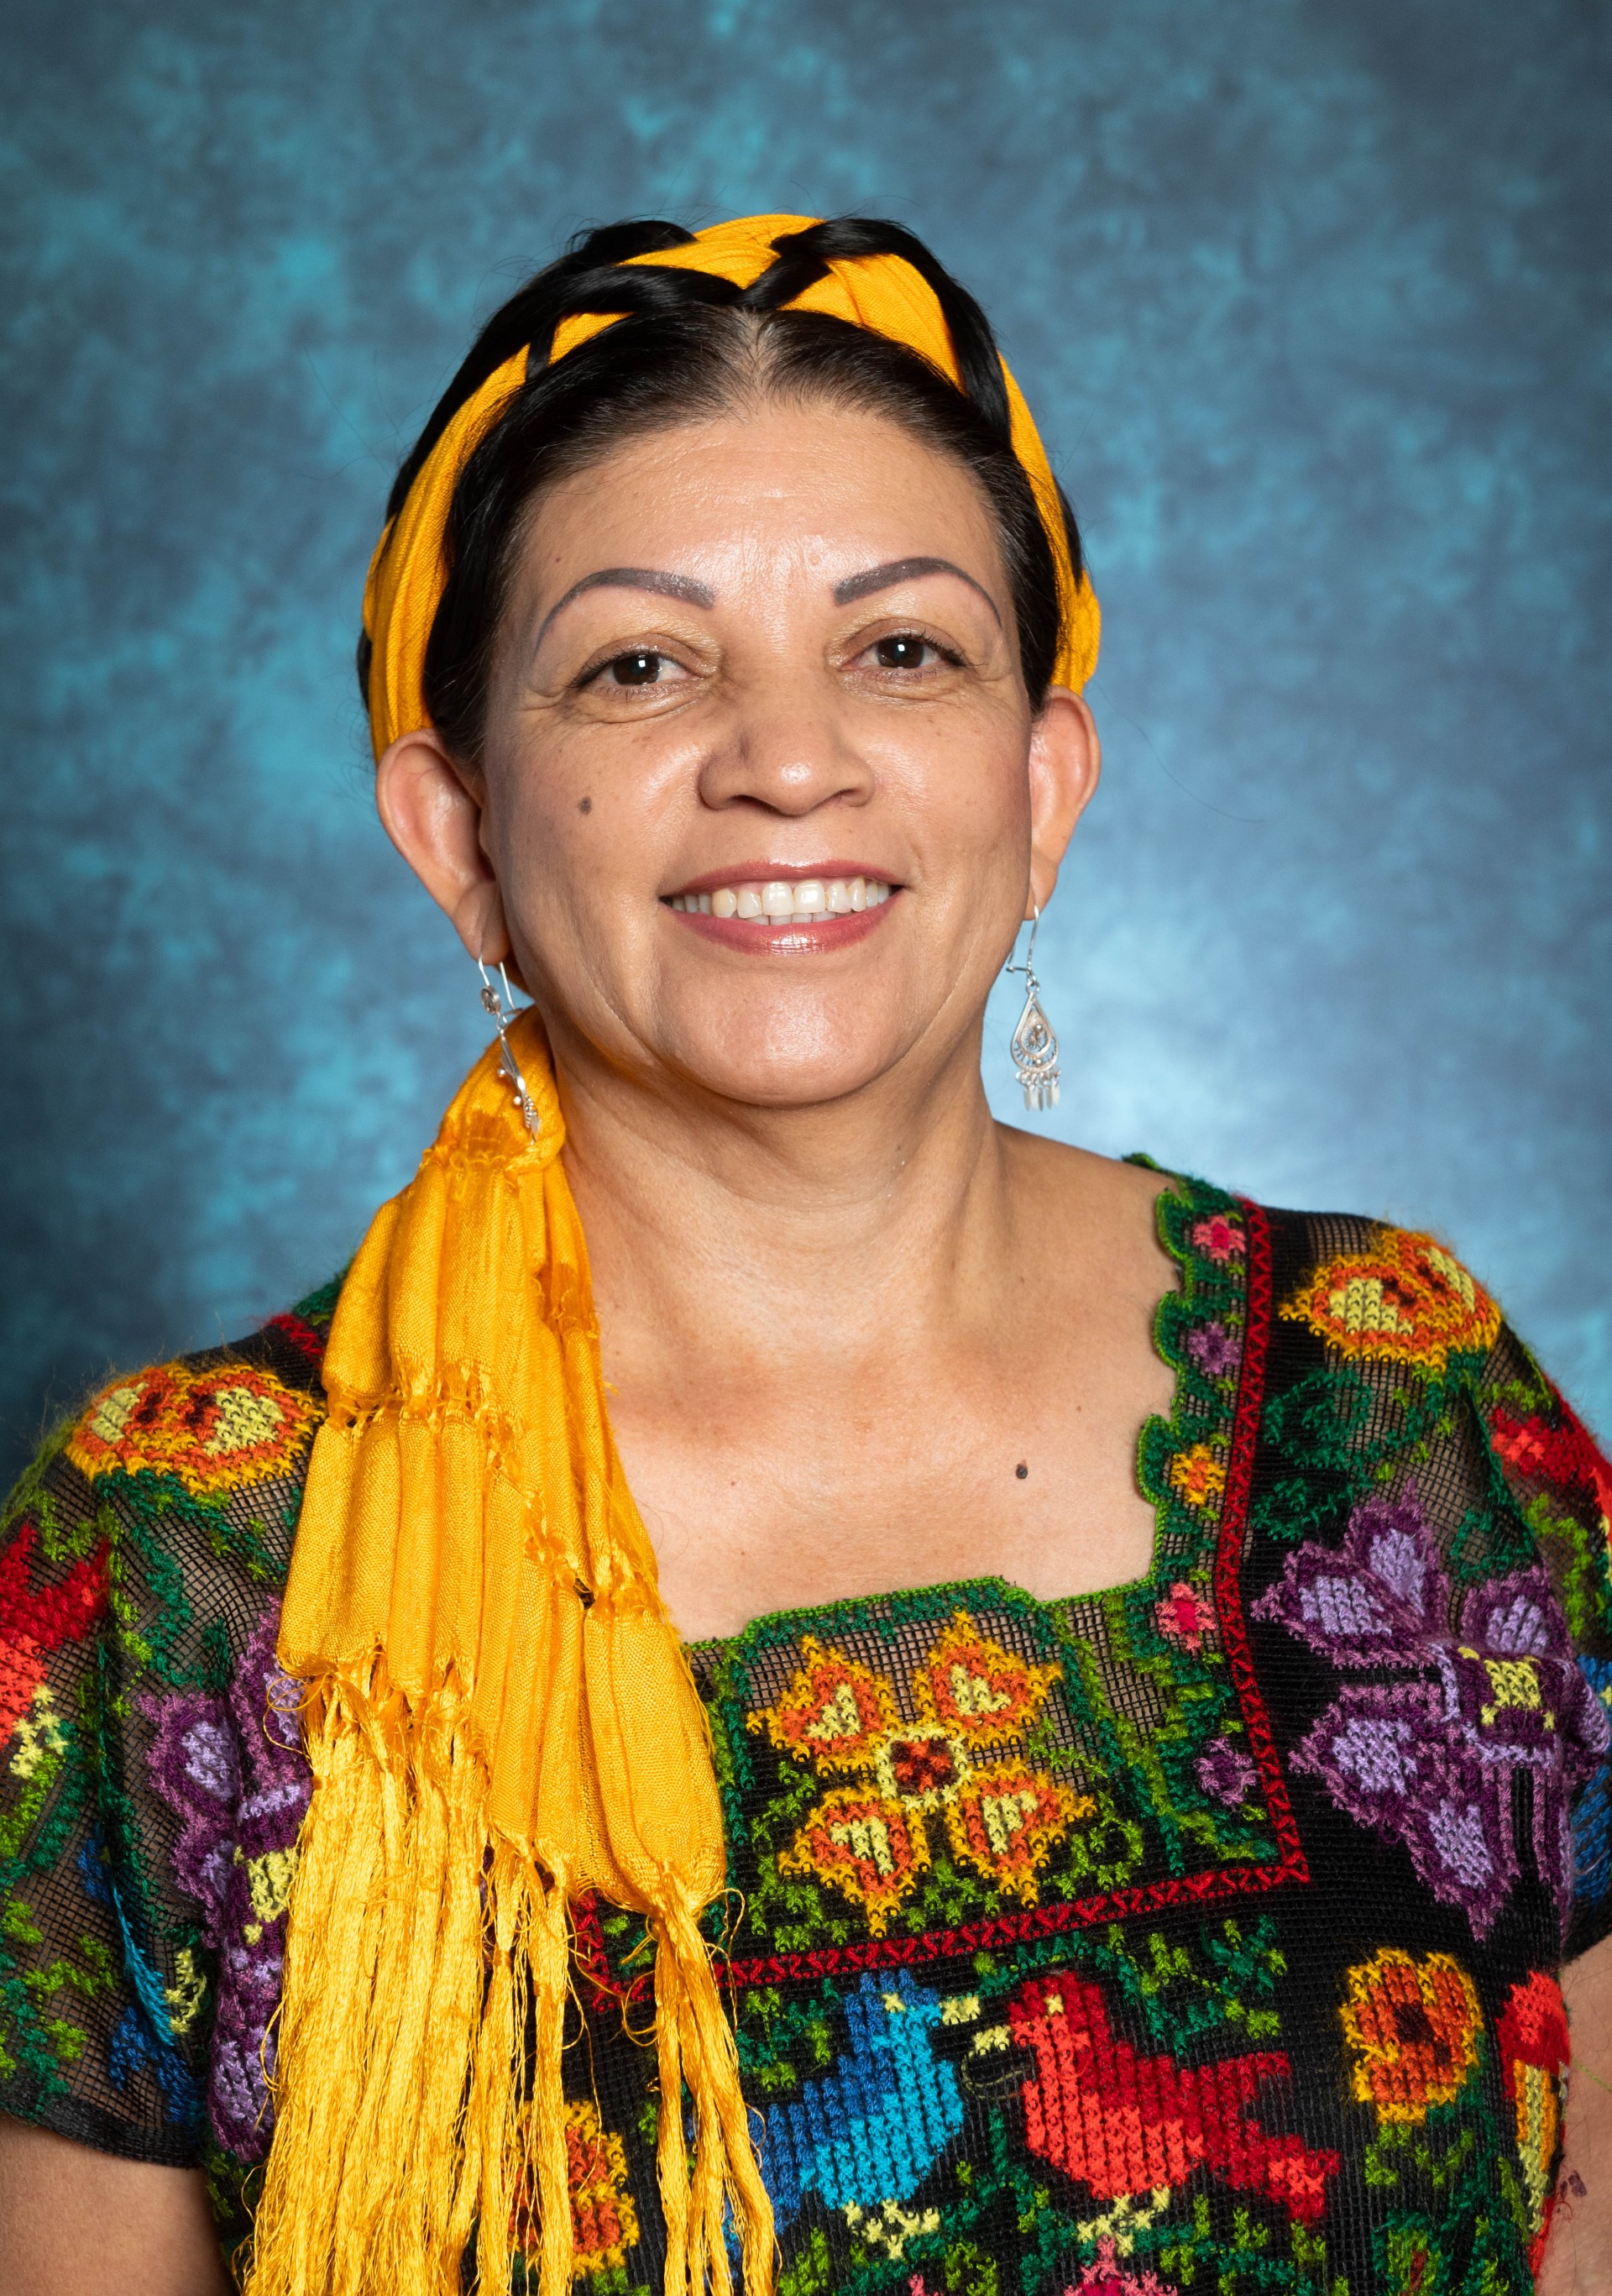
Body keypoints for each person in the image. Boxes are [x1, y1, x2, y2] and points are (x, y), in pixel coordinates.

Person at [0, 212, 1606, 2296]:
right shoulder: (178, 1560)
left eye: (902, 647)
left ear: (1044, 785)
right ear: (460, 827)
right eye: (641, 665)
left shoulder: (1408, 1397)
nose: (784, 757)